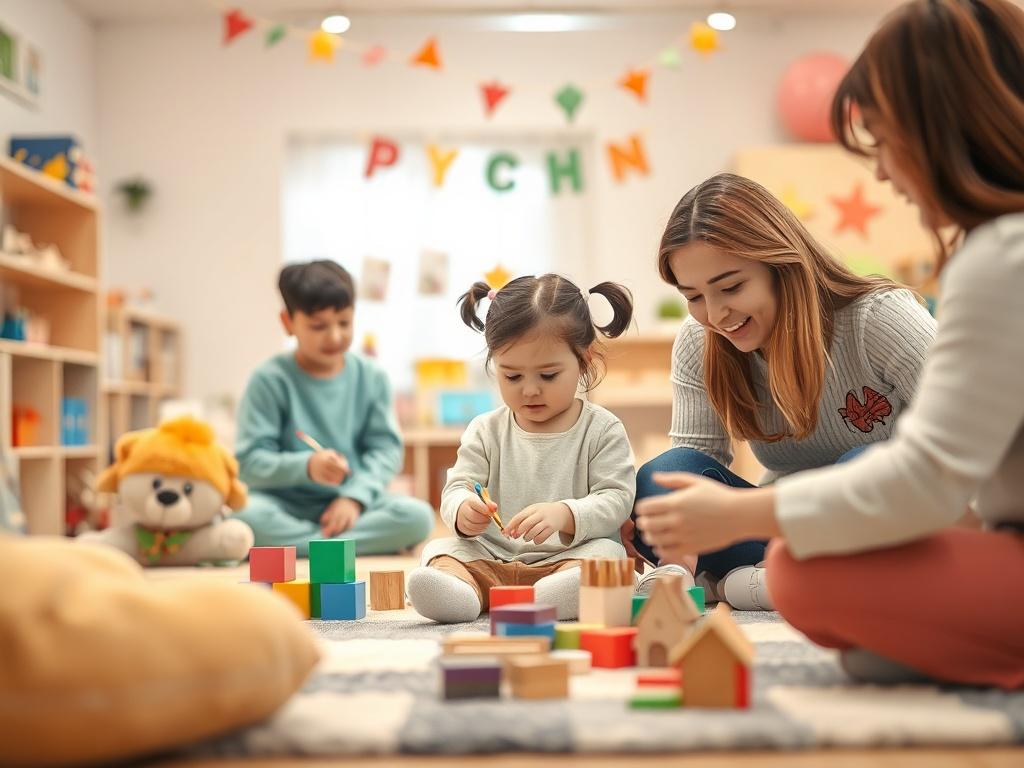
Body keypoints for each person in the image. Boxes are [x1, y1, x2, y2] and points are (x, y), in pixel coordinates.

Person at [636, 0, 1024, 688]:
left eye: (883, 142)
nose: (879, 174)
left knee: (809, 572)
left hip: (915, 515)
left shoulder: (976, 270)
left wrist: (737, 513)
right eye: (696, 297)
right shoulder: (995, 253)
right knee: (819, 591)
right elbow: (694, 460)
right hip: (908, 518)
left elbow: (929, 479)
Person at [628, 172, 935, 610]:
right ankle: (788, 577)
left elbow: (967, 438)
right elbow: (690, 469)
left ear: (780, 265)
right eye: (693, 296)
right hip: (777, 530)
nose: (714, 314)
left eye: (731, 287)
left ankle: (763, 581)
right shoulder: (700, 342)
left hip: (881, 520)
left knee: (865, 467)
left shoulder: (879, 319)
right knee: (663, 478)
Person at [407, 274, 636, 623]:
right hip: (491, 557)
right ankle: (461, 592)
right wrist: (464, 510)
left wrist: (566, 514)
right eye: (512, 376)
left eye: (547, 376)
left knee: (608, 554)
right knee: (440, 550)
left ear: (584, 360)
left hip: (569, 556)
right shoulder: (485, 429)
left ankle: (553, 594)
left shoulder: (601, 428)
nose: (529, 390)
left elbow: (617, 498)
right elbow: (458, 487)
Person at [234, 260, 434, 556]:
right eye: (318, 326)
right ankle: (336, 549)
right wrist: (306, 467)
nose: (335, 337)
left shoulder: (371, 376)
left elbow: (386, 451)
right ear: (287, 322)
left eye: (344, 322)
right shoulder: (268, 380)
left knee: (418, 516)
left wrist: (354, 499)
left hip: (348, 504)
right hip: (284, 504)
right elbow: (249, 463)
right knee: (244, 518)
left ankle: (300, 548)